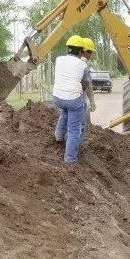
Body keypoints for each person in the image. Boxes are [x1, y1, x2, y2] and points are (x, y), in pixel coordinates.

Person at [53, 35, 89, 163]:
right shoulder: (82, 65)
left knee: (65, 109)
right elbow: (85, 83)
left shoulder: (59, 59)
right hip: (73, 100)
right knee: (74, 130)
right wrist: (81, 91)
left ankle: (58, 135)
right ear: (80, 51)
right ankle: (70, 159)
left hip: (57, 98)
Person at [79, 37, 98, 133]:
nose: (91, 55)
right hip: (79, 100)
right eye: (90, 51)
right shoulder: (83, 65)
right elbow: (88, 84)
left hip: (65, 99)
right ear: (83, 51)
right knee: (82, 126)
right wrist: (92, 101)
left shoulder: (68, 62)